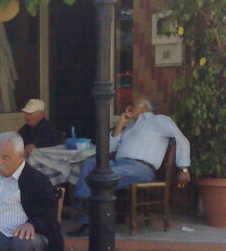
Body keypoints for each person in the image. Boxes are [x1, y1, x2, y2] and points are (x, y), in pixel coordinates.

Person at [71, 96, 191, 234]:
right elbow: (108, 148)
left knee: (102, 177)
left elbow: (182, 140)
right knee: (89, 163)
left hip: (140, 168)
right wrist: (121, 124)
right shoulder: (130, 126)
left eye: (133, 105)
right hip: (118, 164)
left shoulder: (159, 120)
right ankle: (84, 201)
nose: (129, 107)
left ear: (144, 108)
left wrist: (183, 168)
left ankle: (86, 212)